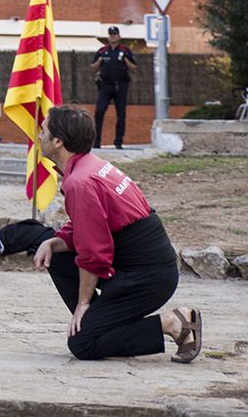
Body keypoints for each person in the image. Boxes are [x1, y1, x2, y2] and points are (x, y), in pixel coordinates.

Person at [32, 104, 202, 362]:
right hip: (140, 266)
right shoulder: (89, 166)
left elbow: (93, 252)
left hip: (148, 277)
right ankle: (98, 322)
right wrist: (56, 241)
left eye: (43, 130)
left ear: (58, 141)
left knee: (83, 344)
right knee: (57, 257)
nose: (39, 135)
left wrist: (83, 303)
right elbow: (90, 224)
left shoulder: (81, 181)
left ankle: (173, 322)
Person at [91, 26, 137, 150]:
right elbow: (93, 67)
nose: (113, 36)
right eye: (111, 34)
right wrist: (99, 61)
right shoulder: (102, 51)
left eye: (115, 34)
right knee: (99, 112)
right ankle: (96, 142)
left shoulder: (125, 50)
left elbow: (134, 68)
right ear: (108, 37)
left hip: (120, 86)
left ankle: (118, 142)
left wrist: (126, 61)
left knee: (121, 114)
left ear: (119, 36)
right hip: (105, 85)